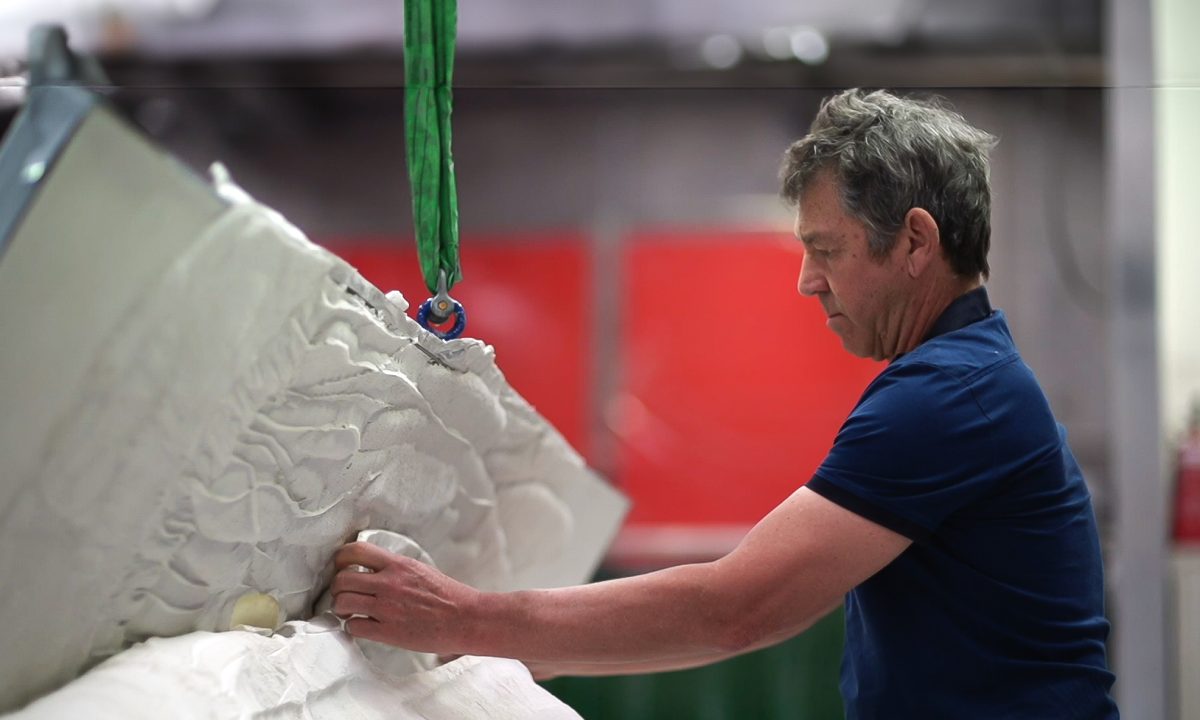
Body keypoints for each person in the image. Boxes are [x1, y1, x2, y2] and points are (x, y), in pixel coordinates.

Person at [330, 89, 1119, 719]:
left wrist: (464, 620)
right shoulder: (968, 380)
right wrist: (528, 643)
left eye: (826, 249)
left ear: (916, 241)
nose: (808, 281)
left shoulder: (949, 397)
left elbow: (740, 607)